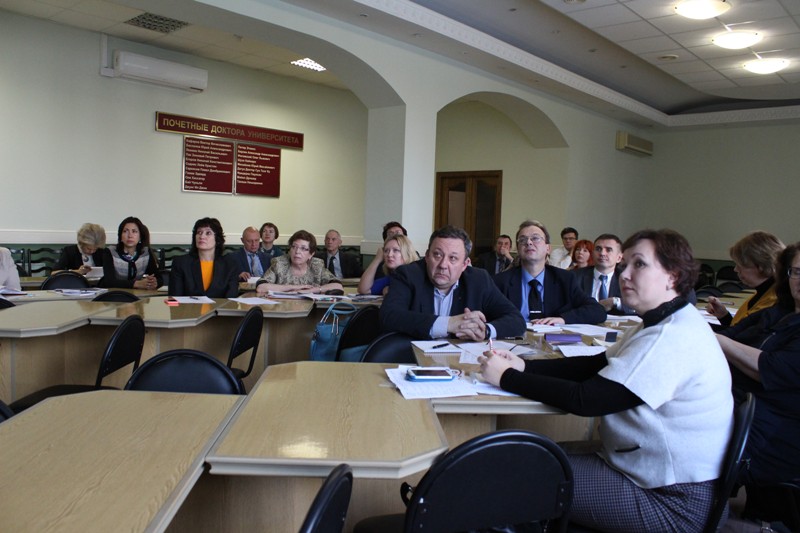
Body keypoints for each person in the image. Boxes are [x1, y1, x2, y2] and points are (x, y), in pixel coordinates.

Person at [480, 229, 734, 532]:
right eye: (625, 264)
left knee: (514, 469)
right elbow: (595, 364)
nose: (624, 274)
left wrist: (506, 378)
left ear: (673, 276)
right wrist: (524, 366)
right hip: (656, 478)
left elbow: (586, 399)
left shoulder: (670, 337)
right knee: (534, 453)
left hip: (675, 503)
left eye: (639, 264)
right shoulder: (665, 321)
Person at [716, 243, 800, 522]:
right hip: (741, 409)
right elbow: (732, 333)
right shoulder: (777, 312)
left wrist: (718, 341)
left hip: (776, 432)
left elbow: (770, 368)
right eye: (797, 272)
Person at [379, 225, 526, 340]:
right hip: (412, 359)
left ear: (465, 264)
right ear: (427, 256)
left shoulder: (479, 280)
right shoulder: (408, 274)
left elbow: (516, 320)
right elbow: (389, 316)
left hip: (461, 363)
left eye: (453, 258)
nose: (443, 265)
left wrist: (485, 331)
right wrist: (449, 324)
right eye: (437, 255)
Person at [493, 220, 606, 325]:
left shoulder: (565, 279)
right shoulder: (500, 281)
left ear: (548, 248)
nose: (528, 242)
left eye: (535, 238)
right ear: (518, 249)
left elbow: (597, 310)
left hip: (554, 336)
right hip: (515, 337)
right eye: (522, 240)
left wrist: (562, 319)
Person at [707, 231, 785, 329]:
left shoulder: (773, 302)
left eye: (740, 265)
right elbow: (741, 330)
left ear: (760, 266)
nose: (735, 269)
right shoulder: (764, 293)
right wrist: (723, 315)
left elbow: (740, 336)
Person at [255, 229, 343, 295]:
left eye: (303, 248)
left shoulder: (317, 265)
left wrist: (314, 290)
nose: (297, 252)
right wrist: (293, 287)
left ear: (311, 254)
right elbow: (261, 287)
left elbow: (338, 286)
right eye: (294, 247)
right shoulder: (279, 263)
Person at [169, 217, 239, 298]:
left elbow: (230, 300)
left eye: (208, 233)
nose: (202, 236)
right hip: (188, 307)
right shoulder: (180, 263)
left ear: (217, 239)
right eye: (199, 232)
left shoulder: (230, 265)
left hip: (219, 307)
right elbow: (174, 298)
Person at [574, 234, 634, 315]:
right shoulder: (575, 277)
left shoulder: (627, 278)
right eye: (598, 249)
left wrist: (615, 302)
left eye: (608, 250)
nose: (602, 253)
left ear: (619, 258)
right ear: (592, 254)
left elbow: (638, 306)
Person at [100, 216, 161, 290]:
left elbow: (159, 278)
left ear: (140, 236)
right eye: (125, 231)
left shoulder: (145, 252)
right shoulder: (110, 252)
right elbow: (109, 282)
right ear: (120, 236)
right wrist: (137, 284)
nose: (130, 236)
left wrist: (154, 282)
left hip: (137, 294)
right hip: (113, 293)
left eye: (134, 231)